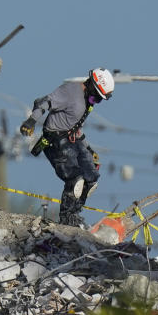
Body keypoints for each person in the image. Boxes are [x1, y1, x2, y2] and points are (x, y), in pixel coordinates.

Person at [19, 68, 114, 227]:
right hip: (55, 139)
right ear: (91, 85)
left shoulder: (87, 101)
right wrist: (31, 121)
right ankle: (66, 217)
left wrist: (89, 150)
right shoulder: (70, 90)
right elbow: (44, 102)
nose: (96, 101)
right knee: (75, 178)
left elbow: (77, 127)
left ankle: (75, 214)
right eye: (97, 96)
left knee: (91, 178)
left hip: (73, 139)